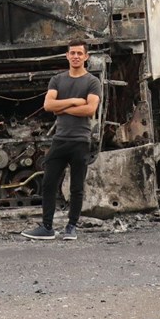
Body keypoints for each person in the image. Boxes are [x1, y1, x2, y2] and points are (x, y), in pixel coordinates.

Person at [22, 39, 102, 240]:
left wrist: (61, 107)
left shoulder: (92, 82)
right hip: (60, 139)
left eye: (79, 53)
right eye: (72, 53)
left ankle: (71, 227)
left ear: (86, 57)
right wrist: (74, 102)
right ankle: (47, 227)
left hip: (80, 141)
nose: (75, 56)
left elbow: (90, 109)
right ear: (67, 56)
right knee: (49, 183)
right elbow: (48, 105)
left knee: (76, 187)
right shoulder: (57, 80)